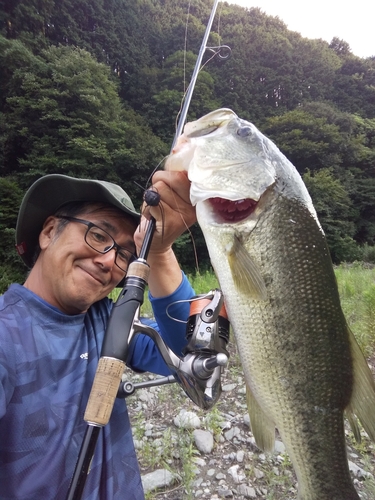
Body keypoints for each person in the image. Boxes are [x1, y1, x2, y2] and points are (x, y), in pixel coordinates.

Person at [0, 171, 197, 500]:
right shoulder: (6, 334)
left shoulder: (108, 318)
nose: (109, 261)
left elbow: (189, 356)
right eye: (98, 235)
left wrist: (159, 252)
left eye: (124, 254)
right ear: (49, 232)